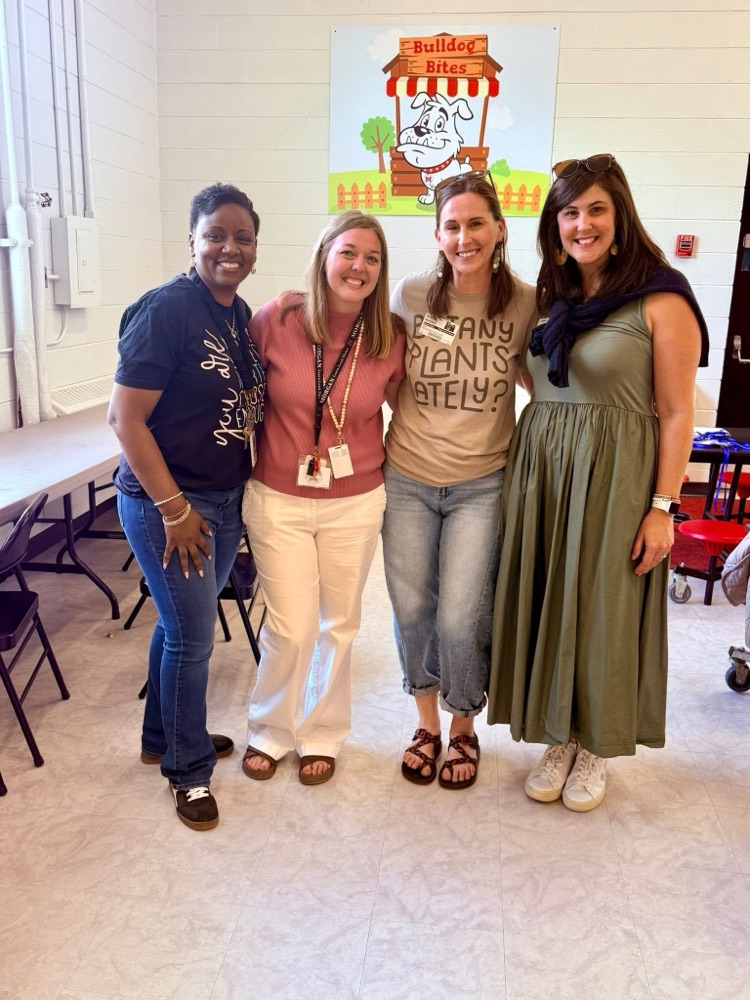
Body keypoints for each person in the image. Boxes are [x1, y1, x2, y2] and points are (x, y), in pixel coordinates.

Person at [487, 154, 709, 811]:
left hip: (618, 477)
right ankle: (558, 732)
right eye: (570, 212)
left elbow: (676, 413)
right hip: (546, 471)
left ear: (620, 216)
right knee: (552, 596)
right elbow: (541, 377)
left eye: (596, 210)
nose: (582, 224)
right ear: (554, 226)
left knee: (603, 604)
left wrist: (663, 507)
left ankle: (593, 746)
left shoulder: (662, 297)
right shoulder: (556, 297)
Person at [109, 183, 265, 831]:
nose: (229, 248)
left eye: (242, 238)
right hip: (170, 502)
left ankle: (161, 737)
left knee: (178, 629)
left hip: (223, 498)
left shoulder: (234, 311)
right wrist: (174, 508)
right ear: (193, 242)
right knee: (195, 640)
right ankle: (188, 769)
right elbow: (126, 419)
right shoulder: (167, 310)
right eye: (216, 236)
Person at [382, 170, 537, 790]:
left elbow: (537, 378)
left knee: (461, 616)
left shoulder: (526, 301)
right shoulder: (410, 294)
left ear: (499, 229)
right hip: (408, 477)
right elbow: (384, 373)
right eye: (452, 225)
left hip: (483, 482)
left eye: (477, 223)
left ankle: (464, 726)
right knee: (413, 607)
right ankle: (425, 723)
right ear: (437, 233)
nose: (464, 237)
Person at [241, 210, 405, 785]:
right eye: (349, 252)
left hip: (356, 498)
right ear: (324, 256)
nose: (359, 267)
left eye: (372, 258)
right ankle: (270, 729)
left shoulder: (390, 336)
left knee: (339, 623)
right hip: (277, 496)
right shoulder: (277, 318)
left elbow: (410, 413)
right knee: (290, 625)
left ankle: (323, 733)